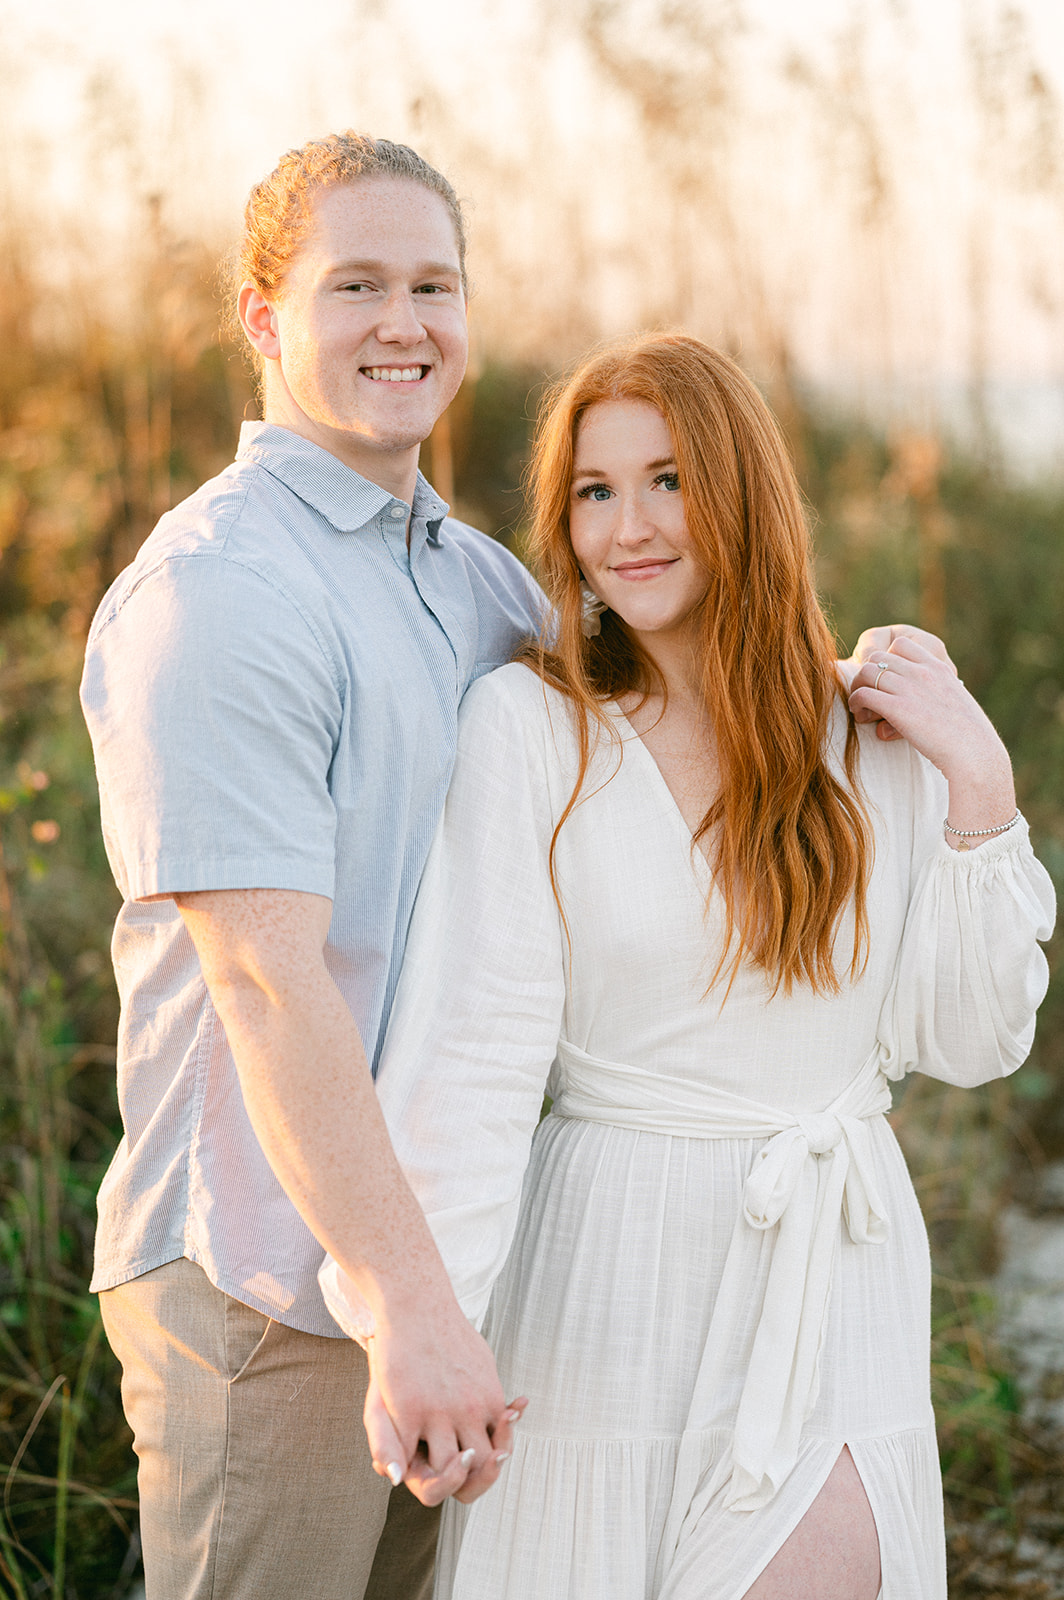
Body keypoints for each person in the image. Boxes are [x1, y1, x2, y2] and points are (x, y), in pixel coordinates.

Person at [321, 332, 1056, 1599]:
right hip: (607, 1264)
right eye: (593, 492)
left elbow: (973, 1036)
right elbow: (477, 1052)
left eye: (666, 479)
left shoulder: (869, 733)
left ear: (741, 494)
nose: (628, 527)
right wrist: (419, 1331)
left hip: (834, 1265)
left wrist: (976, 780)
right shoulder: (532, 729)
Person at [79, 133, 541, 1600]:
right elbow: (266, 981)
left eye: (432, 284)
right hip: (268, 1281)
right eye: (357, 284)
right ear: (265, 319)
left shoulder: (469, 577)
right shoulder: (222, 590)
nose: (403, 322)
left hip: (432, 1255)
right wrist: (405, 1302)